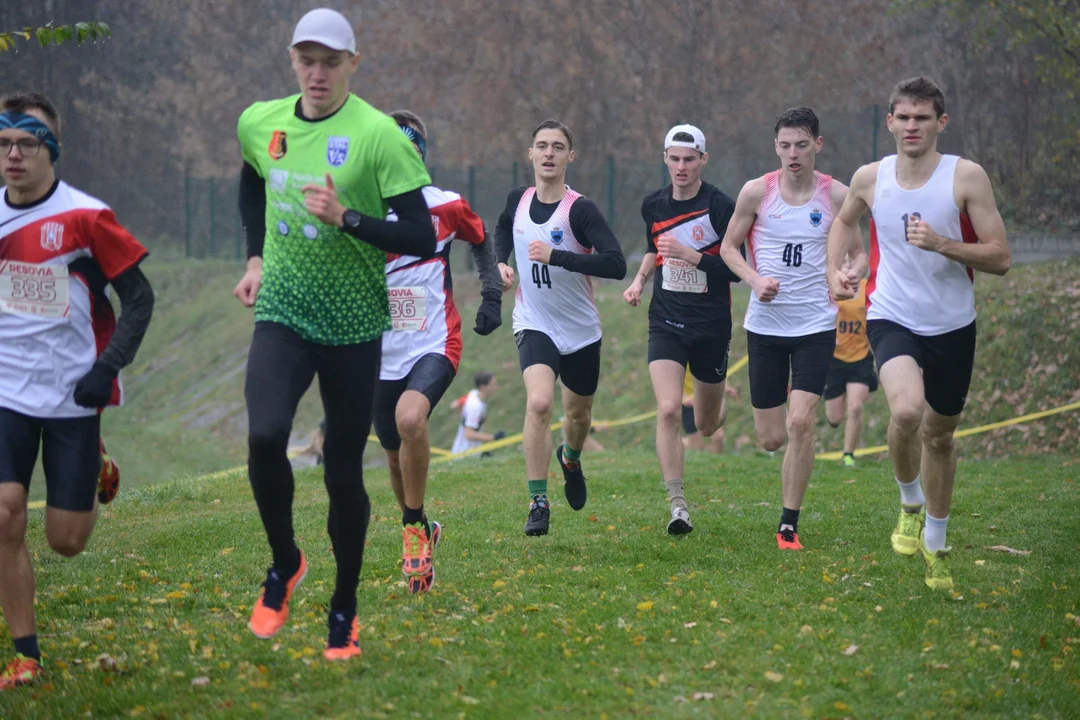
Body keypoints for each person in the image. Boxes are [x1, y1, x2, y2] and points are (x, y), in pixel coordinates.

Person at [233, 8, 435, 661]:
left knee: (341, 472)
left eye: (330, 61)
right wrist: (256, 258)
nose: (317, 73)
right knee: (264, 435)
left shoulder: (380, 136)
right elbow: (250, 179)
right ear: (293, 60)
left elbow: (420, 236)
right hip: (285, 308)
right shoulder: (261, 121)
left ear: (353, 63)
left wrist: (347, 216)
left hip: (353, 323)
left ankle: (344, 606)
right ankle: (285, 563)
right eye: (306, 60)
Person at [826, 76, 1010, 590]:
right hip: (891, 315)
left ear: (940, 123)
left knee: (940, 433)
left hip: (952, 324)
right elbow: (843, 223)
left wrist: (943, 243)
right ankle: (910, 501)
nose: (912, 126)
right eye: (903, 117)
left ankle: (936, 537)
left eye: (922, 117)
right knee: (907, 410)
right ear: (889, 122)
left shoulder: (966, 178)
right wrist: (835, 272)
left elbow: (1000, 257)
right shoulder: (869, 177)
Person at [0, 92, 154, 689]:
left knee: (65, 541)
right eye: (4, 143)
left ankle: (95, 464)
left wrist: (106, 368)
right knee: (5, 514)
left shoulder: (88, 218)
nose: (13, 154)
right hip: (7, 390)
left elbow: (139, 300)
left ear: (52, 150)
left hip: (73, 392)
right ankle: (25, 653)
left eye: (27, 143)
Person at [372, 109, 503, 593]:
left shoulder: (444, 205)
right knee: (392, 453)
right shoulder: (360, 206)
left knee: (411, 421)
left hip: (434, 342)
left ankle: (411, 533)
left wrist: (490, 295)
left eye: (411, 152)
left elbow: (482, 239)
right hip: (377, 351)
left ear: (421, 157)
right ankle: (420, 525)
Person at [719, 107, 863, 551]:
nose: (793, 153)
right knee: (771, 437)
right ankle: (785, 438)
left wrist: (849, 274)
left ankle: (788, 525)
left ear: (817, 145)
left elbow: (860, 253)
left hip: (816, 325)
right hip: (765, 326)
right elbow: (728, 248)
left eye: (802, 144)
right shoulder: (755, 193)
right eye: (785, 145)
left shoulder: (837, 196)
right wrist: (755, 279)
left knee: (801, 422)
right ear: (775, 147)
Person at [494, 119, 627, 536]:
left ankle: (570, 457)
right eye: (541, 146)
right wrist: (501, 261)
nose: (548, 153)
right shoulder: (517, 200)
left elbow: (616, 263)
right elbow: (501, 229)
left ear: (571, 156)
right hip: (534, 322)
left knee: (578, 414)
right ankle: (537, 500)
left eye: (557, 147)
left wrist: (558, 256)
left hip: (580, 329)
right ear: (530, 154)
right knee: (538, 404)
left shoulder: (580, 210)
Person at [622, 124, 740, 535]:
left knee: (706, 424)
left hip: (711, 325)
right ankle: (677, 505)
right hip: (666, 320)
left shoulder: (721, 205)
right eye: (674, 158)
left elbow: (735, 270)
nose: (681, 167)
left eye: (690, 159)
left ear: (703, 160)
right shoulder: (653, 204)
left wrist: (694, 256)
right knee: (670, 408)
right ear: (665, 160)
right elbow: (656, 248)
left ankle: (718, 402)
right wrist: (639, 280)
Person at [823, 277, 877, 467]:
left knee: (855, 407)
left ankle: (848, 455)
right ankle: (838, 401)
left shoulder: (865, 287)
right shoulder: (827, 286)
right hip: (834, 359)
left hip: (860, 357)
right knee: (834, 418)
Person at [682, 369, 739, 454]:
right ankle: (679, 442)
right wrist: (683, 396)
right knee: (696, 446)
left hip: (707, 398)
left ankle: (716, 463)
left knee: (718, 436)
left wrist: (727, 386)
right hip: (688, 403)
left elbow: (717, 368)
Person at [450, 372, 503, 455]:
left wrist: (463, 416)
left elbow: (455, 404)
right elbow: (469, 434)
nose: (496, 388)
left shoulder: (473, 393)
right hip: (465, 454)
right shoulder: (475, 407)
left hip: (470, 451)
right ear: (483, 387)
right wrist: (494, 437)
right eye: (493, 385)